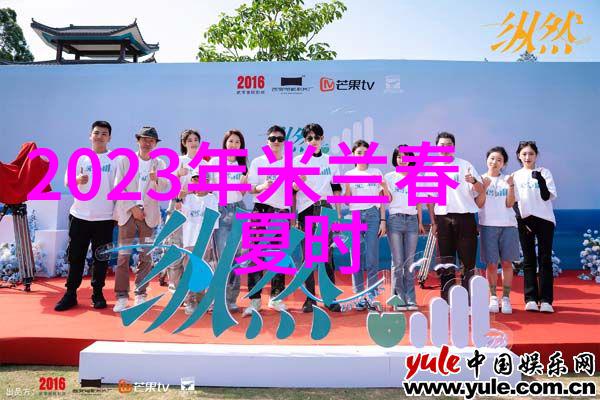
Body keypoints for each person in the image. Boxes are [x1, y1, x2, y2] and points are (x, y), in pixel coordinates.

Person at [54, 121, 116, 311]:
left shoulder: (114, 160)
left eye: (104, 134)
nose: (100, 136)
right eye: (96, 133)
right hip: (79, 216)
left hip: (104, 218)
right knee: (76, 256)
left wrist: (117, 214)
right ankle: (70, 293)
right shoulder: (80, 157)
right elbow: (67, 182)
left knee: (101, 258)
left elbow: (119, 188)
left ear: (109, 138)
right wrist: (77, 180)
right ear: (90, 135)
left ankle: (97, 294)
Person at [112, 126, 169, 312]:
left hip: (149, 216)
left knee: (146, 256)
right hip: (128, 213)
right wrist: (133, 207)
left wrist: (156, 179)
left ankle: (141, 294)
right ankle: (121, 297)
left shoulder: (160, 164)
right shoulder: (125, 160)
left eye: (151, 140)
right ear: (138, 140)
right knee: (123, 255)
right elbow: (118, 187)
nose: (147, 143)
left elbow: (164, 189)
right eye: (144, 139)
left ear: (155, 144)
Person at [429, 132, 485, 301]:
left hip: (465, 218)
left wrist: (474, 181)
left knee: (468, 262)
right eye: (441, 145)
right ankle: (447, 299)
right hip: (443, 219)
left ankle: (468, 300)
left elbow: (481, 190)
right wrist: (433, 222)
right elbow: (430, 199)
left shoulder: (465, 165)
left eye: (448, 145)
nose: (445, 148)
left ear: (453, 147)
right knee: (446, 262)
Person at [293, 123, 342, 313]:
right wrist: (298, 184)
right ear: (305, 141)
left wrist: (337, 214)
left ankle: (330, 297)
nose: (313, 141)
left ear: (322, 139)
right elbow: (292, 191)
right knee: (308, 258)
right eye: (309, 138)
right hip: (305, 210)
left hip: (325, 209)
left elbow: (336, 188)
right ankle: (310, 299)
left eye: (317, 137)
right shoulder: (298, 162)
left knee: (326, 257)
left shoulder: (331, 161)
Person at [242, 125, 290, 316]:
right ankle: (255, 300)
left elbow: (293, 191)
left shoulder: (289, 163)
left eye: (279, 139)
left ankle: (276, 298)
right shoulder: (258, 161)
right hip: (261, 211)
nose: (276, 142)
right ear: (267, 140)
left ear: (284, 141)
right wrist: (262, 186)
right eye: (272, 138)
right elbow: (250, 188)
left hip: (281, 213)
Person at [343, 139, 389, 311]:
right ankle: (358, 297)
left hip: (372, 215)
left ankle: (371, 297)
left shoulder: (376, 172)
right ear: (353, 155)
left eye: (365, 152)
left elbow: (383, 199)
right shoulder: (348, 174)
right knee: (355, 258)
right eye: (359, 153)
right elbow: (347, 201)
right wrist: (347, 187)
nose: (362, 155)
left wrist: (383, 220)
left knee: (372, 258)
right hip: (354, 216)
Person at [512, 141, 557, 313]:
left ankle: (546, 300)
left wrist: (540, 179)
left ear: (536, 155)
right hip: (525, 220)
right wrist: (521, 221)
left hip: (545, 220)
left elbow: (546, 197)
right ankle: (530, 298)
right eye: (524, 154)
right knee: (528, 260)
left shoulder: (545, 172)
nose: (527, 157)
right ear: (519, 156)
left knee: (545, 259)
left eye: (531, 154)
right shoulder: (515, 176)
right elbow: (514, 202)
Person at [475, 146, 519, 314]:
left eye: (499, 160)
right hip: (488, 225)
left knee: (507, 263)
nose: (495, 162)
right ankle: (493, 297)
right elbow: (479, 204)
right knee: (491, 264)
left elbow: (510, 204)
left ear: (504, 163)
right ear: (487, 160)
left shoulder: (508, 179)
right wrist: (484, 187)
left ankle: (506, 298)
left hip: (508, 226)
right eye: (492, 158)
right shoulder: (480, 179)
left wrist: (511, 186)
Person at [209, 129, 249, 312]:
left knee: (237, 258)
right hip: (221, 210)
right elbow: (208, 187)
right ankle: (217, 298)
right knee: (221, 259)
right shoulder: (215, 162)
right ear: (225, 143)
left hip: (239, 210)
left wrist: (243, 187)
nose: (234, 145)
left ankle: (231, 299)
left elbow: (243, 193)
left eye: (237, 142)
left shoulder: (243, 165)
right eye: (231, 141)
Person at [384, 145, 427, 311]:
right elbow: (387, 199)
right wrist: (384, 187)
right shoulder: (389, 177)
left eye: (406, 156)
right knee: (398, 262)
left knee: (409, 262)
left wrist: (420, 222)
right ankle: (398, 298)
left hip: (412, 222)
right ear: (395, 159)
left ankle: (411, 298)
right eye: (399, 156)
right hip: (395, 220)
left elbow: (418, 202)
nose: (402, 159)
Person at [164, 129, 202, 292]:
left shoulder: (204, 163)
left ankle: (189, 289)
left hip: (197, 211)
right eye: (189, 140)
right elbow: (168, 185)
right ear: (184, 143)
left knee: (192, 250)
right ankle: (175, 285)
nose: (193, 143)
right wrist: (178, 175)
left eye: (196, 140)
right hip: (178, 208)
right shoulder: (178, 161)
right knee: (176, 247)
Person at [176, 174, 219, 315]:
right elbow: (179, 212)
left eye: (201, 180)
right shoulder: (187, 198)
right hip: (189, 241)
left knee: (203, 271)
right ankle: (190, 301)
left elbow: (213, 222)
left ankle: (202, 300)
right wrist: (179, 197)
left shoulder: (212, 199)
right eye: (195, 180)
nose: (198, 183)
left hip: (204, 241)